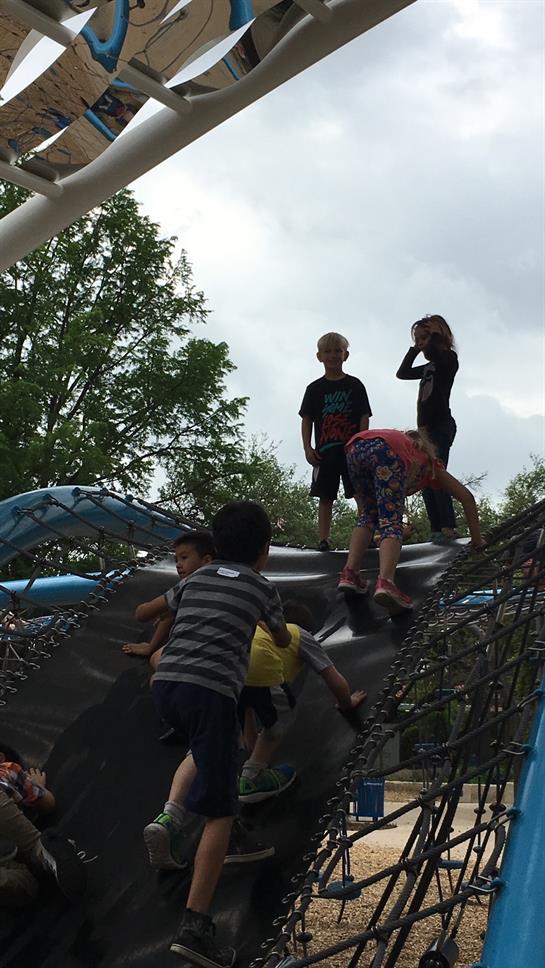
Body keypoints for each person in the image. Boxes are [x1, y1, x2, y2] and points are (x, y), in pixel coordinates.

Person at [142, 501, 291, 968]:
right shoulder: (262, 587)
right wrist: (278, 634)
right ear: (264, 550)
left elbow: (149, 611)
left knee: (215, 757)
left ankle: (234, 829)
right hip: (211, 694)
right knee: (218, 811)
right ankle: (196, 926)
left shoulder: (192, 581)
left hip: (166, 687)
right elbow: (282, 638)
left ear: (214, 547)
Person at [338, 429, 484, 612]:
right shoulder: (429, 464)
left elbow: (365, 509)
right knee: (391, 521)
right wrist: (477, 539)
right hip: (386, 451)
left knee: (367, 515)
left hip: (355, 449)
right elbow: (466, 497)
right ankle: (386, 583)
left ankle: (350, 573)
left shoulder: (401, 446)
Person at [238, 600, 367, 804]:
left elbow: (249, 733)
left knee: (248, 714)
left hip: (234, 670)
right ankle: (251, 778)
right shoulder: (297, 633)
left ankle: (255, 768)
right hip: (261, 669)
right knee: (285, 715)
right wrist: (346, 702)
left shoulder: (261, 634)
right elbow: (332, 677)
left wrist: (258, 757)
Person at [300, 332, 372, 551]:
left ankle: (366, 535)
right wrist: (307, 448)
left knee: (360, 493)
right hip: (325, 452)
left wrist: (361, 443)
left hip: (351, 450)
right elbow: (307, 419)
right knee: (325, 496)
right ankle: (324, 539)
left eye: (337, 351)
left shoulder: (355, 385)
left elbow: (364, 416)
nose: (332, 356)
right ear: (319, 356)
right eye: (327, 352)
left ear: (345, 355)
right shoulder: (314, 389)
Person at [396, 315, 459, 543]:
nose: (422, 343)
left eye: (426, 337)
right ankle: (436, 527)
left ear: (439, 337)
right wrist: (414, 349)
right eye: (418, 339)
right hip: (425, 430)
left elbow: (438, 356)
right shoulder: (427, 367)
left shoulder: (449, 359)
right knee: (424, 478)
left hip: (441, 425)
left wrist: (433, 339)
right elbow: (402, 373)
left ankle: (448, 526)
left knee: (437, 474)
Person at [0, 743, 86, 907]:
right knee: (33, 847)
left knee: (15, 876)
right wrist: (35, 785)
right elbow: (49, 804)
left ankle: (9, 880)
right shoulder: (7, 769)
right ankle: (46, 855)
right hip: (11, 824)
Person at [122, 530, 215, 669]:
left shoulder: (189, 584)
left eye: (184, 558)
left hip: (202, 652)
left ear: (207, 561)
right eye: (176, 560)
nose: (178, 564)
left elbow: (141, 614)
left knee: (157, 660)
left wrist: (161, 610)